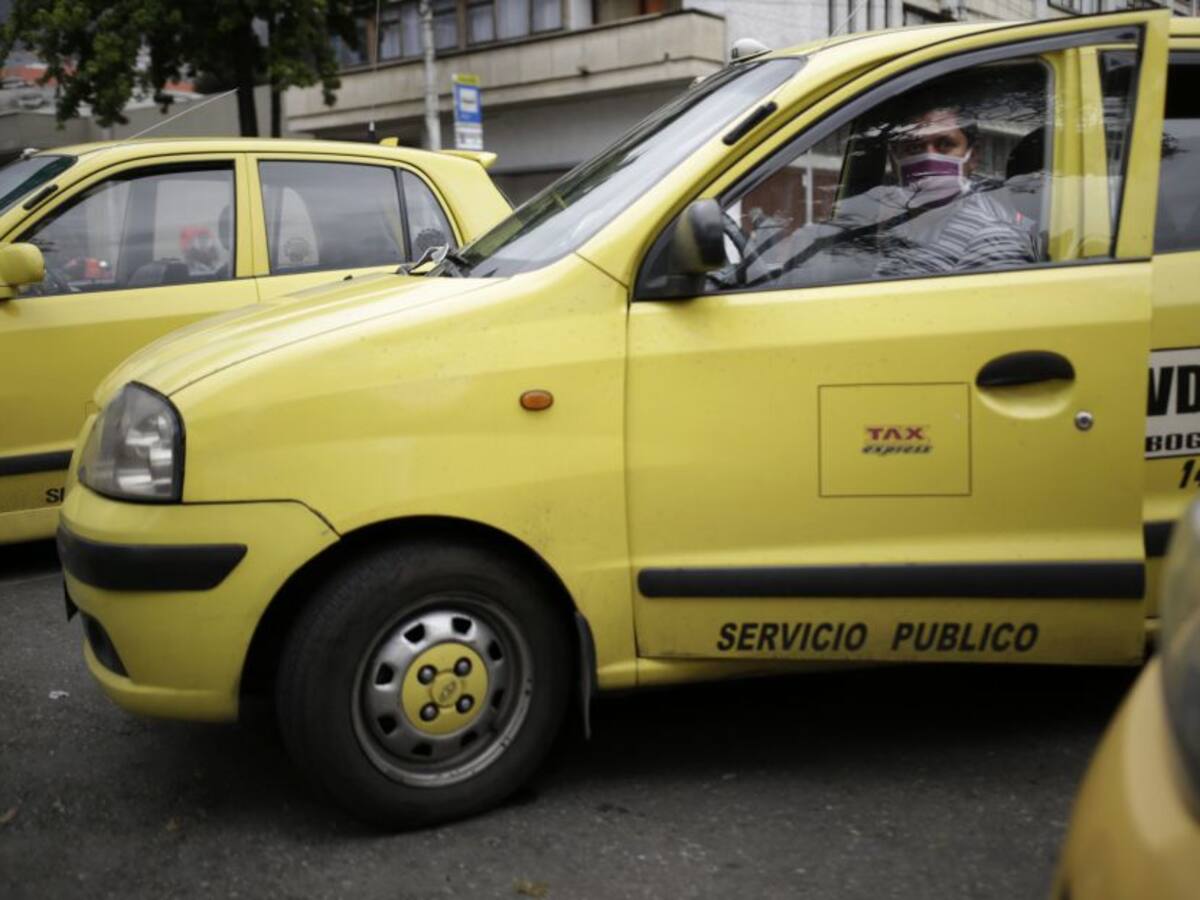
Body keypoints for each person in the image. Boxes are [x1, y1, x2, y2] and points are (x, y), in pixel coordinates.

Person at [867, 103, 1042, 277]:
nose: (929, 158)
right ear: (893, 159)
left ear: (973, 156)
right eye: (914, 147)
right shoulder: (896, 224)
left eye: (945, 144)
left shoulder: (993, 242)